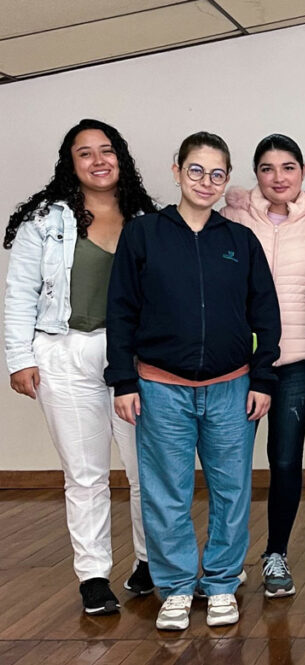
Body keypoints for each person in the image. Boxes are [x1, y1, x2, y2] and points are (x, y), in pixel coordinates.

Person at [105, 131, 281, 630]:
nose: (206, 181)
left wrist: (262, 378)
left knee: (231, 490)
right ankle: (178, 588)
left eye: (217, 173)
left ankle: (222, 583)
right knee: (166, 493)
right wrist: (123, 381)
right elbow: (120, 312)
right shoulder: (144, 235)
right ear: (177, 170)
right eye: (197, 170)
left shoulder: (239, 240)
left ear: (228, 181)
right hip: (159, 387)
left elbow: (265, 315)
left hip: (231, 387)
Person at [3, 119, 157, 615]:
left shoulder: (145, 218)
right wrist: (19, 358)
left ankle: (149, 562)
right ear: (71, 165)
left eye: (106, 150)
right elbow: (18, 293)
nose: (97, 160)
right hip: (65, 353)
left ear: (121, 157)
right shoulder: (46, 220)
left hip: (132, 356)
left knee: (147, 470)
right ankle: (93, 575)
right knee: (86, 475)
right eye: (84, 153)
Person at [220, 134, 305, 598]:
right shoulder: (229, 217)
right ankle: (226, 562)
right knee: (230, 462)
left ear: (303, 172)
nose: (278, 178)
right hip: (239, 364)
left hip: (297, 361)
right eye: (267, 169)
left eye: (288, 167)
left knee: (285, 459)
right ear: (256, 174)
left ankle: (276, 554)